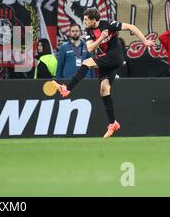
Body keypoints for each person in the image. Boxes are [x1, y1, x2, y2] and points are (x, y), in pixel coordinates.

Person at [53, 8, 155, 138]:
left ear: (94, 20)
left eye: (86, 19)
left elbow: (131, 27)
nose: (84, 21)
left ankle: (67, 89)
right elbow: (90, 47)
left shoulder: (108, 24)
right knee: (104, 89)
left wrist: (145, 41)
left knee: (87, 63)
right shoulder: (88, 30)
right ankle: (113, 123)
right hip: (106, 59)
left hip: (115, 56)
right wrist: (101, 37)